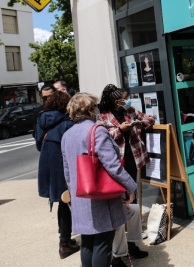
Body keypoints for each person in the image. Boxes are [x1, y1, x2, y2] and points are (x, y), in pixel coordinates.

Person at [61, 93, 138, 267]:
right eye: (95, 106)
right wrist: (130, 187)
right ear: (89, 110)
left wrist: (73, 192)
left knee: (87, 243)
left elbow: (67, 171)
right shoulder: (97, 131)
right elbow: (113, 166)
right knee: (103, 244)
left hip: (81, 195)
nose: (97, 110)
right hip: (101, 197)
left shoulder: (67, 135)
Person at [35, 90, 78, 259]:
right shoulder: (68, 121)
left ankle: (65, 239)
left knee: (62, 200)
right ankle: (65, 243)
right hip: (63, 163)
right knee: (68, 200)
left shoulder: (41, 119)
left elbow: (39, 144)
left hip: (48, 163)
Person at [98, 84, 154, 185]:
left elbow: (150, 118)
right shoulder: (104, 117)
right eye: (125, 98)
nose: (128, 100)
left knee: (132, 184)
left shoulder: (130, 110)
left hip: (133, 154)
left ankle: (133, 200)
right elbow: (102, 136)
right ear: (117, 102)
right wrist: (120, 129)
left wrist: (142, 123)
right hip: (117, 157)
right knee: (120, 186)